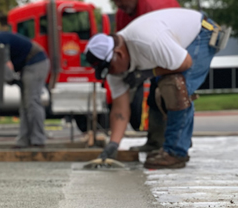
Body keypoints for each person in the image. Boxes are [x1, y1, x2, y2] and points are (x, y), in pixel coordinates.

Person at [85, 8, 220, 169]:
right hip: (172, 46)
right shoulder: (114, 68)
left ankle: (175, 152)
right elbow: (120, 109)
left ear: (119, 54)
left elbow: (185, 63)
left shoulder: (147, 41)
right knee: (159, 92)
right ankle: (161, 141)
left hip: (201, 33)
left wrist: (148, 72)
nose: (111, 73)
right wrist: (113, 144)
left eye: (109, 68)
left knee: (176, 86)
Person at [113, 0, 180, 153]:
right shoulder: (122, 13)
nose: (119, 6)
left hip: (176, 49)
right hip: (154, 54)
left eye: (121, 1)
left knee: (172, 93)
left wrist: (146, 72)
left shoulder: (154, 7)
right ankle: (156, 141)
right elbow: (121, 43)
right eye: (115, 3)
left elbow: (164, 45)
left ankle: (176, 145)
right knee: (153, 99)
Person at [0, 31, 50, 148]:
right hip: (28, 64)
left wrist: (10, 78)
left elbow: (7, 64)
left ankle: (38, 139)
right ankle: (24, 140)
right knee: (25, 105)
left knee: (32, 102)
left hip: (35, 62)